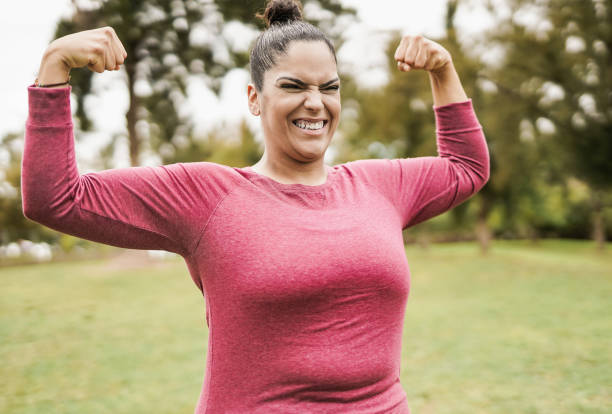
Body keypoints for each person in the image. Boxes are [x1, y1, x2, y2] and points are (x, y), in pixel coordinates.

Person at [22, 0, 489, 412]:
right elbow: (56, 199)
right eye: (293, 87)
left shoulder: (380, 186)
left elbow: (468, 167)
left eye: (329, 87)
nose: (315, 103)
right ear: (254, 98)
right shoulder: (205, 196)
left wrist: (443, 71)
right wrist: (54, 68)